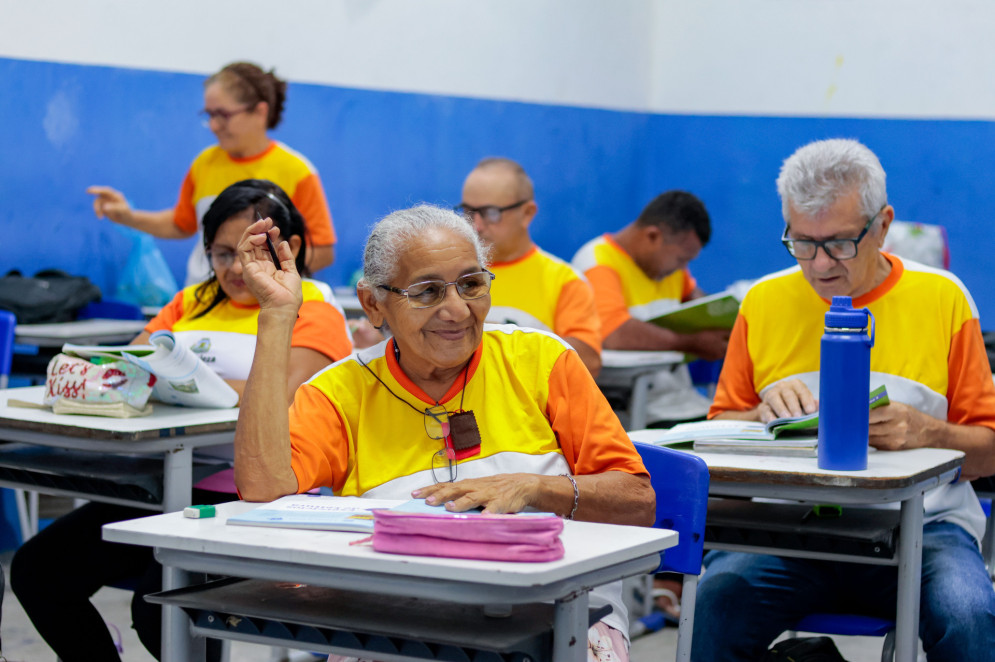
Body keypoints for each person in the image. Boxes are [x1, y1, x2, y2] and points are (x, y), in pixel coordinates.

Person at [233, 204, 656, 662]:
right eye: (427, 291)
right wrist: (277, 316)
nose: (457, 310)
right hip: (395, 618)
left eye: (471, 285)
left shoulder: (543, 360)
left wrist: (534, 487)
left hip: (559, 608)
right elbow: (262, 486)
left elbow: (637, 499)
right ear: (374, 304)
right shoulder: (340, 390)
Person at [11, 180, 352, 662]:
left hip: (249, 500)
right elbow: (121, 367)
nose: (235, 268)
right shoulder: (191, 300)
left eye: (249, 252)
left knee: (160, 609)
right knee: (37, 571)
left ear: (290, 247)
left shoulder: (311, 308)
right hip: (161, 487)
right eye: (220, 253)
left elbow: (282, 396)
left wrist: (185, 386)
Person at [692, 138, 995, 661]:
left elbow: (990, 450)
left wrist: (932, 433)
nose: (819, 265)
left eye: (838, 243)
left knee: (968, 614)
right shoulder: (763, 301)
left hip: (922, 530)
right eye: (801, 242)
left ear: (882, 225)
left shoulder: (942, 298)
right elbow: (717, 434)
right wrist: (760, 415)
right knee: (715, 606)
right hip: (790, 534)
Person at [87, 61, 336, 285]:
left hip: (263, 307)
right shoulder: (205, 163)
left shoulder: (297, 171)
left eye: (224, 115)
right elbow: (180, 224)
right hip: (204, 297)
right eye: (209, 115)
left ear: (260, 112)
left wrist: (261, 276)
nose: (214, 126)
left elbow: (323, 252)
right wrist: (127, 216)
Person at [571, 191, 728, 425]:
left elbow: (699, 303)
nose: (682, 268)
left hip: (683, 403)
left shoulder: (670, 270)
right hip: (634, 411)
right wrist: (692, 343)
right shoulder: (597, 263)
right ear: (653, 236)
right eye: (680, 259)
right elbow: (614, 333)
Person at [456, 157, 602, 376]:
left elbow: (588, 362)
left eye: (491, 213)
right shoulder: (445, 273)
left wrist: (501, 339)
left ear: (527, 213)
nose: (475, 225)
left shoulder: (564, 280)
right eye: (468, 211)